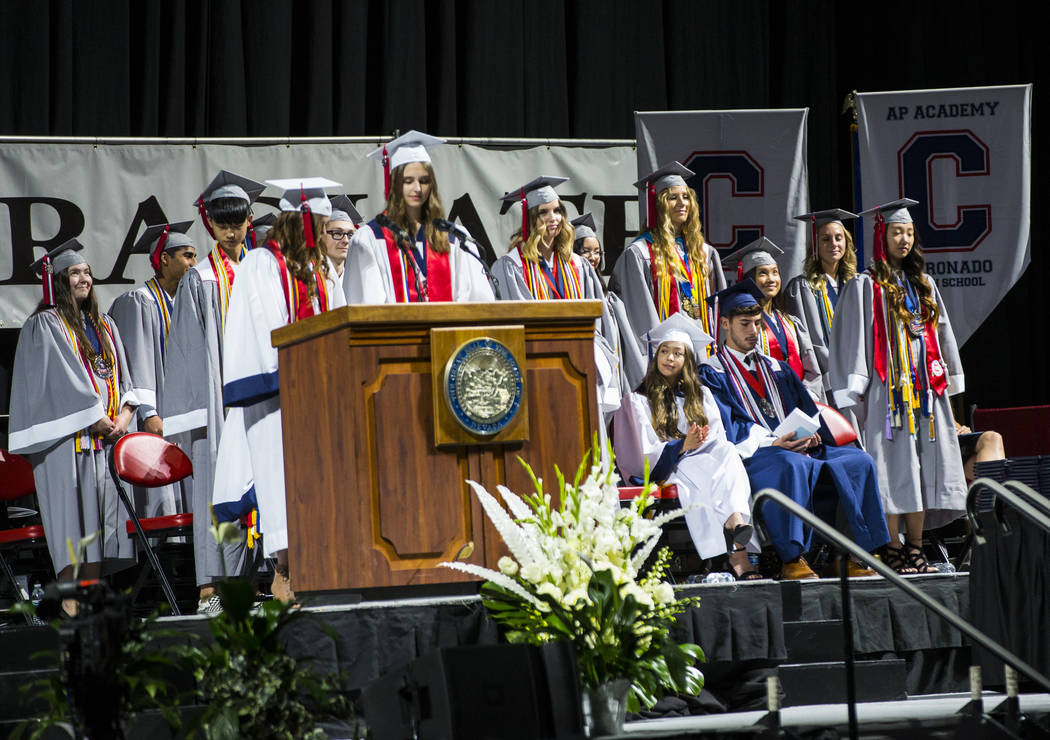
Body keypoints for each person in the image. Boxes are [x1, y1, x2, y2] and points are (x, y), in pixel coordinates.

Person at [699, 280, 890, 579]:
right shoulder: (712, 372)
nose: (753, 331)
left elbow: (807, 410)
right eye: (745, 323)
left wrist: (811, 433)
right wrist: (774, 442)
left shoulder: (778, 368)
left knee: (857, 461)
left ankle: (850, 554)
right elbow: (726, 426)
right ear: (724, 323)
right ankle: (792, 558)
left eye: (758, 323)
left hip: (796, 448)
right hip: (754, 455)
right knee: (790, 464)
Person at [222, 178, 347, 603]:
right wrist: (293, 371)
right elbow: (261, 328)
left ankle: (322, 565)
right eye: (321, 224)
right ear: (302, 222)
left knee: (324, 480)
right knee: (282, 482)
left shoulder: (322, 269)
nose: (326, 233)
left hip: (322, 394)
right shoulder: (261, 263)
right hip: (277, 396)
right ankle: (286, 571)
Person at [830, 199, 967, 574]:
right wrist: (856, 389)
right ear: (882, 236)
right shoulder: (865, 284)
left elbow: (942, 334)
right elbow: (853, 338)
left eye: (909, 232)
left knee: (923, 466)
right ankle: (892, 546)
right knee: (893, 467)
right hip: (888, 394)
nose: (904, 239)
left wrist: (948, 379)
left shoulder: (923, 284)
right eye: (896, 232)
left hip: (926, 391)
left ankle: (917, 546)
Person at [8, 240, 140, 615]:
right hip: (68, 442)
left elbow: (123, 378)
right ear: (60, 282)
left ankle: (93, 600)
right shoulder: (44, 325)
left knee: (98, 521)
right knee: (71, 519)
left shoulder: (105, 324)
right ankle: (70, 603)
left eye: (87, 272)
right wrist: (96, 418)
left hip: (106, 440)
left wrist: (124, 417)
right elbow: (58, 382)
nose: (84, 278)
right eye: (75, 273)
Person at [162, 169, 263, 612]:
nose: (229, 229)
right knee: (218, 489)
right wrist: (196, 414)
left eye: (236, 219)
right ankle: (212, 589)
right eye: (221, 221)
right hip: (218, 403)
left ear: (249, 218)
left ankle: (256, 581)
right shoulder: (199, 279)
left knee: (262, 486)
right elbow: (185, 349)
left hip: (260, 397)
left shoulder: (261, 271)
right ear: (210, 225)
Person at [613, 313, 757, 579]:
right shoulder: (637, 401)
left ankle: (735, 519)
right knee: (704, 473)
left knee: (727, 451)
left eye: (677, 353)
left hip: (702, 460)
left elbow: (717, 437)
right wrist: (682, 446)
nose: (669, 358)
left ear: (687, 360)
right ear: (655, 358)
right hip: (669, 469)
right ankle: (736, 549)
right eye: (664, 352)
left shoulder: (700, 395)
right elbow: (639, 454)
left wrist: (700, 441)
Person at [109, 221, 198, 521]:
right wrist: (150, 413)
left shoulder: (185, 302)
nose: (193, 263)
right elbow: (135, 362)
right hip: (153, 415)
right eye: (187, 255)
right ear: (164, 260)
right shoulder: (138, 303)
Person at [344, 130, 494, 303]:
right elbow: (364, 309)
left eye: (423, 181)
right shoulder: (370, 239)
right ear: (394, 185)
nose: (417, 189)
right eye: (408, 181)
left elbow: (478, 301)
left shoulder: (456, 238)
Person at [609, 161, 725, 341]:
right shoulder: (640, 254)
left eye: (686, 197)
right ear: (658, 205)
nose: (682, 203)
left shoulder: (704, 252)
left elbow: (719, 307)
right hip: (664, 352)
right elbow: (638, 314)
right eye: (672, 198)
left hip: (704, 348)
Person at [722, 237, 824, 401]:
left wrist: (808, 395)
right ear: (748, 279)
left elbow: (811, 365)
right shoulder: (742, 326)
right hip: (764, 402)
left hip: (801, 402)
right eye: (763, 273)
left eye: (775, 272)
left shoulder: (791, 322)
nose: (771, 279)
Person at [783, 209, 859, 404]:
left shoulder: (858, 284)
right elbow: (809, 341)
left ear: (846, 243)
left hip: (861, 377)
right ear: (815, 246)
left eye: (838, 238)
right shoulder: (802, 288)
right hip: (829, 382)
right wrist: (839, 369)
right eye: (825, 239)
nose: (833, 244)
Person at [491, 176, 605, 301]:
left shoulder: (578, 264)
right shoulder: (513, 265)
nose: (553, 218)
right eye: (543, 212)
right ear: (531, 219)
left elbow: (595, 314)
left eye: (557, 211)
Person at [323, 195, 362, 280]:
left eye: (350, 235)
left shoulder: (359, 281)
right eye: (337, 233)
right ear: (321, 236)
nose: (346, 240)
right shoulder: (310, 282)